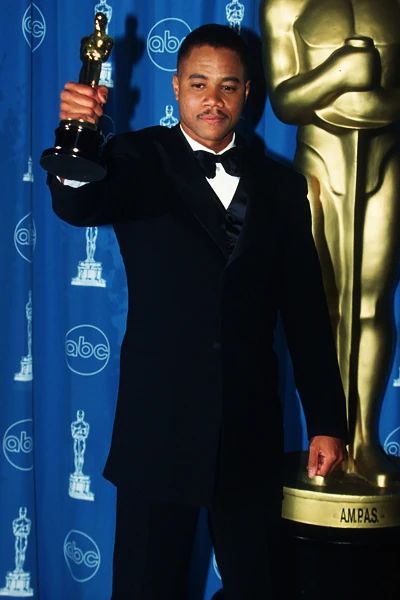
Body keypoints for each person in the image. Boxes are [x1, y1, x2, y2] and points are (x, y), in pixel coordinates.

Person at [49, 24, 347, 600]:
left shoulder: (282, 188)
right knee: (145, 587)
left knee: (260, 585)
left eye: (228, 86)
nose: (213, 99)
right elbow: (76, 203)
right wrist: (76, 135)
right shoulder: (137, 157)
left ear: (247, 94)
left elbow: (306, 314)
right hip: (157, 429)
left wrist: (327, 421)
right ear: (177, 86)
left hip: (249, 432)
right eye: (199, 84)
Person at [261, 0, 400, 487]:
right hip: (318, 167)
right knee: (319, 306)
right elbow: (285, 100)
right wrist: (341, 73)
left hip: (385, 163)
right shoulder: (285, 5)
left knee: (372, 303)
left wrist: (355, 101)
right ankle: (328, 438)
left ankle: (365, 440)